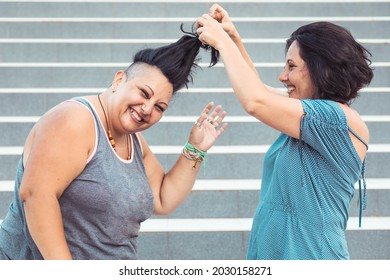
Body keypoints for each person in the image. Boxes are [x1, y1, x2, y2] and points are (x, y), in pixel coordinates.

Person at [0, 27, 227, 260]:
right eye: (144, 93)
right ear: (119, 80)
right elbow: (36, 195)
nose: (147, 109)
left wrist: (195, 149)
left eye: (160, 107)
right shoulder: (76, 120)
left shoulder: (134, 141)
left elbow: (161, 198)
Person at [196, 4, 374, 259]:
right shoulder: (310, 115)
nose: (282, 76)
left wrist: (222, 43)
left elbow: (256, 101)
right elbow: (259, 90)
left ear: (320, 68)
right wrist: (233, 40)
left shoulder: (338, 120)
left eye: (291, 66)